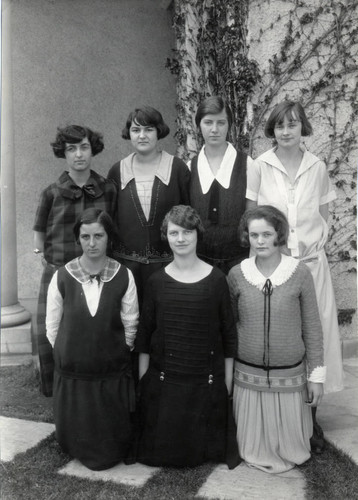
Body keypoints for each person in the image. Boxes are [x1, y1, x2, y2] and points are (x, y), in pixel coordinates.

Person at [246, 100, 344, 451]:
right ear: (271, 131)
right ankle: (278, 414)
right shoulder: (259, 166)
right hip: (276, 268)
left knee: (315, 337)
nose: (286, 131)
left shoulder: (317, 167)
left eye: (293, 124)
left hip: (312, 267)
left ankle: (312, 418)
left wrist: (313, 249)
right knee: (283, 339)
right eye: (279, 125)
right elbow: (253, 218)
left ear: (303, 127)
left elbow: (324, 215)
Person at [135, 205, 240, 469]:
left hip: (204, 382)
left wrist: (227, 381)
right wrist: (144, 378)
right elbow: (145, 335)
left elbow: (228, 333)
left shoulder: (216, 279)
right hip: (165, 382)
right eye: (174, 232)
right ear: (165, 236)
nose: (180, 239)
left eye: (187, 232)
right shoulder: (156, 281)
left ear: (197, 235)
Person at [227, 205, 325, 473]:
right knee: (250, 444)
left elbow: (312, 326)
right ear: (247, 237)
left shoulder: (299, 273)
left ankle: (288, 448)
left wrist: (317, 376)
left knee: (293, 448)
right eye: (254, 235)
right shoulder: (237, 274)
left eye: (266, 234)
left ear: (279, 235)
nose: (260, 241)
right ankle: (255, 449)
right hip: (247, 376)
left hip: (290, 375)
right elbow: (229, 326)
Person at [46, 208, 139, 471]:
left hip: (109, 368)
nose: (92, 243)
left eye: (98, 235)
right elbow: (53, 325)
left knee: (109, 429)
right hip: (74, 369)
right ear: (78, 238)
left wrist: (117, 350)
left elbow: (130, 322)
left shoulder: (123, 275)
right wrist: (68, 352)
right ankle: (75, 444)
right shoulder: (63, 275)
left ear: (109, 237)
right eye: (85, 236)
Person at [33, 125, 117, 397]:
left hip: (98, 274)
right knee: (54, 333)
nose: (78, 154)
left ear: (93, 150)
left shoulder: (108, 189)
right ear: (63, 153)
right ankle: (59, 393)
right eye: (71, 149)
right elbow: (39, 236)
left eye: (84, 147)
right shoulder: (51, 193)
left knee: (95, 335)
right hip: (59, 274)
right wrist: (49, 264)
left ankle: (98, 394)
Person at [107, 106, 190, 305]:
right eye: (136, 130)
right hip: (127, 269)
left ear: (158, 131)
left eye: (149, 129)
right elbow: (109, 219)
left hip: (170, 267)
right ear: (129, 134)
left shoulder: (177, 168)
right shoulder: (117, 171)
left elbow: (190, 216)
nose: (142, 136)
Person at [188, 96, 253, 274]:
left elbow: (253, 216)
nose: (214, 129)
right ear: (199, 125)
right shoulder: (189, 167)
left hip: (240, 261)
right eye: (208, 122)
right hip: (199, 261)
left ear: (229, 125)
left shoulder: (247, 164)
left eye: (221, 123)